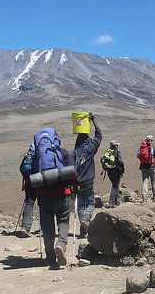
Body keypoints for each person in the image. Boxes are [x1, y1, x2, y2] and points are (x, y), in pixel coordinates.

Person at [32, 127, 76, 267]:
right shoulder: (63, 153)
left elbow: (28, 173)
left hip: (44, 196)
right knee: (63, 221)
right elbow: (73, 173)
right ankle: (61, 245)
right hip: (63, 195)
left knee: (47, 226)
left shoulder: (37, 157)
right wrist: (75, 188)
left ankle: (50, 256)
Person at [73, 113, 102, 237]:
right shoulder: (90, 149)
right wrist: (94, 121)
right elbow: (99, 136)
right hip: (89, 182)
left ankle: (82, 227)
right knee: (90, 202)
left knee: (80, 204)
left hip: (78, 183)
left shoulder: (74, 152)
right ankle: (86, 219)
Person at [18, 143, 37, 235]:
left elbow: (22, 168)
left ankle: (26, 227)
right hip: (43, 181)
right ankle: (44, 227)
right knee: (44, 203)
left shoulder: (29, 155)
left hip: (29, 182)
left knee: (29, 203)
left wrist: (27, 178)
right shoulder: (45, 152)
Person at [138, 134, 155, 202]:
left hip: (143, 166)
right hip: (152, 166)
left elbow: (138, 155)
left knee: (145, 181)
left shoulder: (142, 147)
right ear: (152, 140)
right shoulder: (153, 146)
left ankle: (144, 197)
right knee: (154, 181)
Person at [103, 141, 125, 206]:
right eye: (117, 145)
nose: (118, 146)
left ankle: (116, 202)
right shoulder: (117, 152)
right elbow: (121, 162)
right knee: (115, 186)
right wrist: (122, 171)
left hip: (109, 171)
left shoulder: (108, 152)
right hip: (116, 171)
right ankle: (112, 202)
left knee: (115, 185)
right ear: (115, 146)